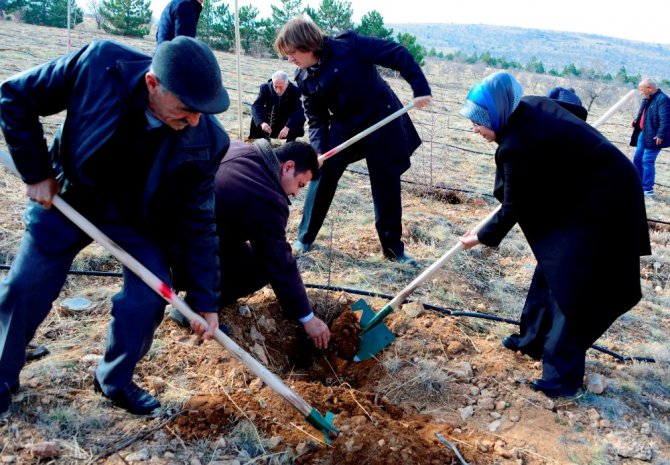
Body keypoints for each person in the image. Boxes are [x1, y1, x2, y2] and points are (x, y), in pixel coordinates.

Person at [0, 36, 230, 416]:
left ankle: (114, 379)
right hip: (70, 194)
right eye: (187, 108)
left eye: (203, 111)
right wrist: (36, 172)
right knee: (27, 285)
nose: (194, 120)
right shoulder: (100, 65)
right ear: (152, 84)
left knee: (148, 296)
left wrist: (206, 300)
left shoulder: (208, 141)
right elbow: (15, 96)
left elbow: (199, 220)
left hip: (136, 220)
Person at [458, 72, 650, 398]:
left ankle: (562, 380)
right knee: (552, 262)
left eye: (479, 122)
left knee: (573, 285)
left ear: (498, 115)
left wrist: (480, 236)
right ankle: (531, 339)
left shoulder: (515, 146)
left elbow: (512, 207)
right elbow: (572, 111)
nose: (473, 128)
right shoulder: (526, 108)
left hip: (607, 200)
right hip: (584, 193)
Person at [274, 17, 432, 266]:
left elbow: (396, 53)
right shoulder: (304, 78)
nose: (290, 59)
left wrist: (419, 86)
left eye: (291, 53)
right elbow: (315, 118)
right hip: (346, 126)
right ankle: (305, 238)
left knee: (386, 184)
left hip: (382, 119)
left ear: (306, 46)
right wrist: (318, 151)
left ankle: (393, 251)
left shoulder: (350, 45)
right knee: (321, 172)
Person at [169, 140, 330, 349]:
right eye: (300, 184)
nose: (297, 194)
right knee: (263, 266)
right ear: (288, 166)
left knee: (247, 252)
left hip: (173, 232)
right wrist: (307, 317)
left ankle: (194, 301)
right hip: (183, 251)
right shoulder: (266, 197)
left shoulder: (238, 147)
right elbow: (278, 261)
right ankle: (194, 308)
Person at [630, 78, 669, 196]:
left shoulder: (663, 100)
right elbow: (645, 116)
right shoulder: (647, 99)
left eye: (642, 90)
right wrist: (637, 122)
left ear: (650, 88)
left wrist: (661, 134)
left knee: (647, 161)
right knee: (637, 159)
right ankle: (638, 184)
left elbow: (666, 119)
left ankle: (647, 189)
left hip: (655, 136)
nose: (641, 92)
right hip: (643, 134)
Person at [248, 71, 306, 142]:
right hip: (272, 115)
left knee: (300, 117)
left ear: (287, 84)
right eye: (275, 87)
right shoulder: (265, 88)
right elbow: (256, 106)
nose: (278, 90)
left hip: (287, 117)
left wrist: (287, 127)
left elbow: (297, 111)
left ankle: (290, 142)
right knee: (257, 114)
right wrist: (262, 123)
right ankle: (263, 140)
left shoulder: (295, 90)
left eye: (281, 87)